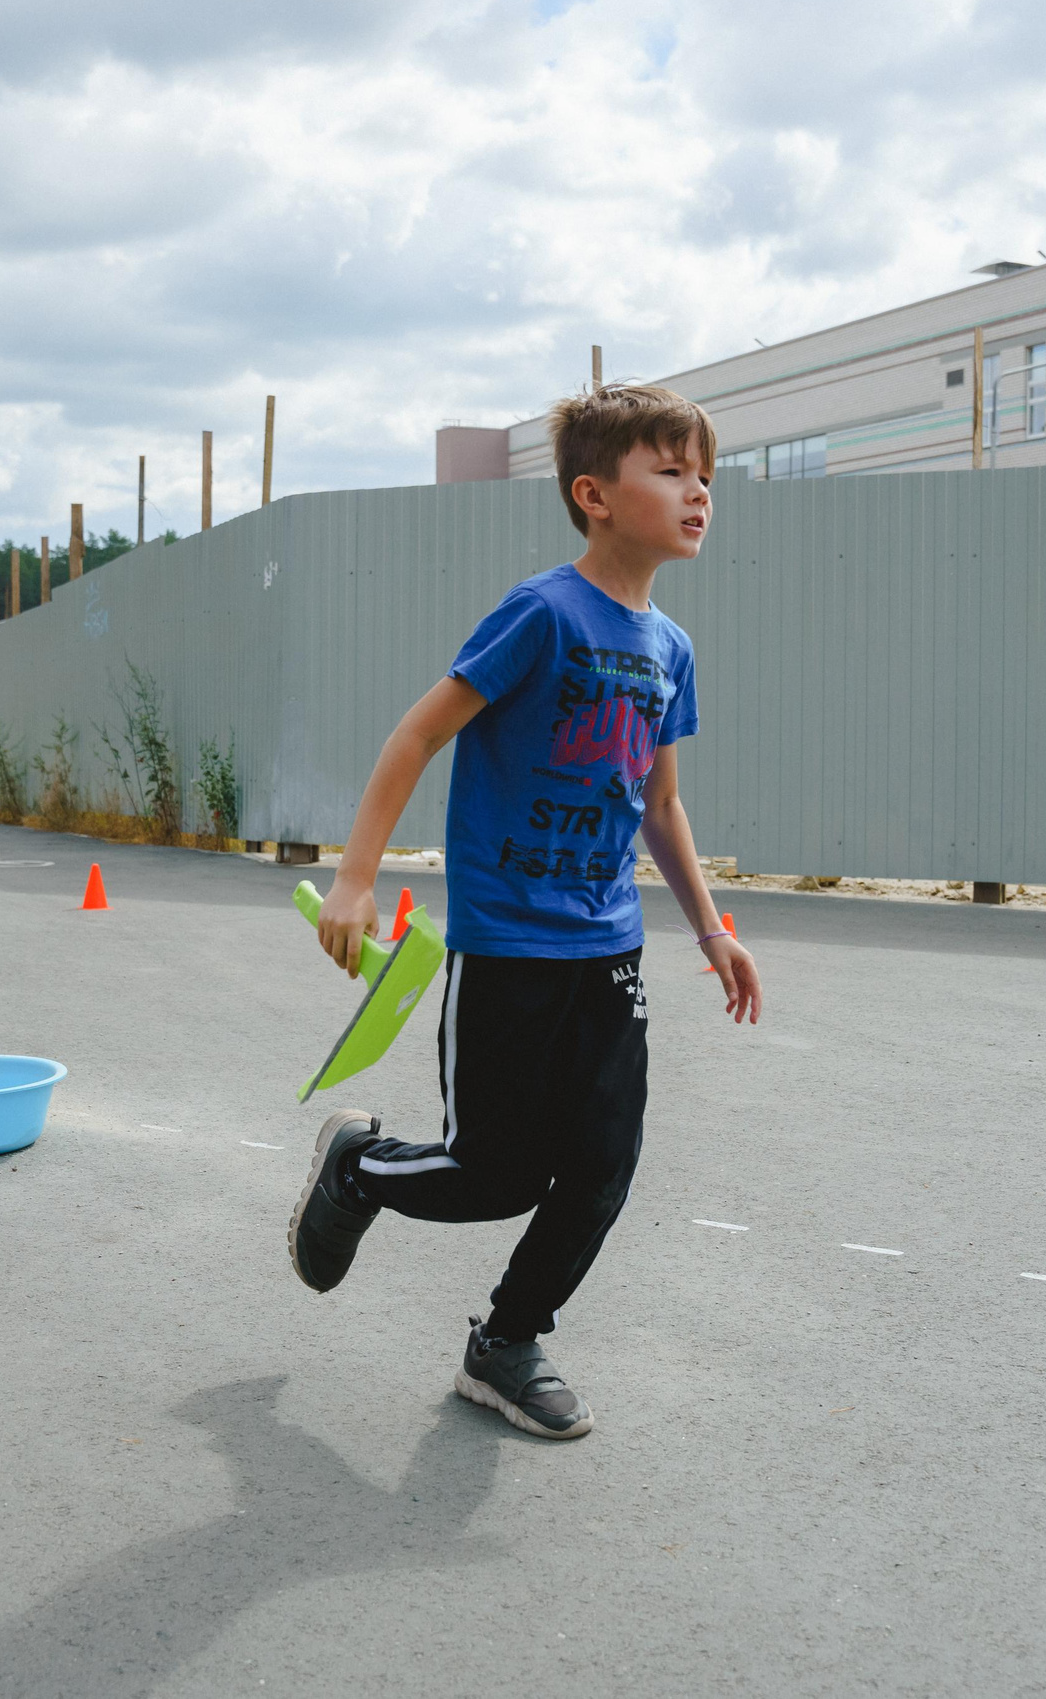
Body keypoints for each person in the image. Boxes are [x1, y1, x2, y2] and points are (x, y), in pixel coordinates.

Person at [287, 383, 762, 1441]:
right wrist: (358, 877)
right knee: (497, 1175)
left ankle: (505, 1341)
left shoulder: (667, 648)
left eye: (705, 479)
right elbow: (416, 734)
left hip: (608, 945)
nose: (697, 495)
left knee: (601, 1165)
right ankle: (357, 1167)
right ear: (593, 494)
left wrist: (713, 929)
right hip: (508, 943)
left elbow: (659, 801)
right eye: (672, 472)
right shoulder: (542, 613)